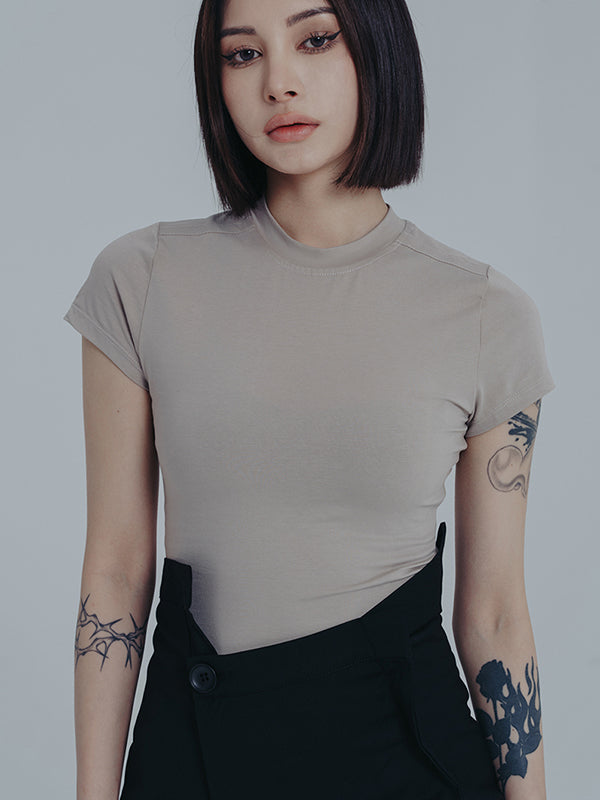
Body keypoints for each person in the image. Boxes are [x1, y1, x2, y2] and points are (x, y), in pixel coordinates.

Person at [63, 1, 555, 798]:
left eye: (316, 39)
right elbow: (116, 571)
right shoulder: (141, 280)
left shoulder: (486, 314)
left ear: (380, 50)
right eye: (242, 54)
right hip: (195, 752)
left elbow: (495, 611)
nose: (279, 83)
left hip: (406, 757)